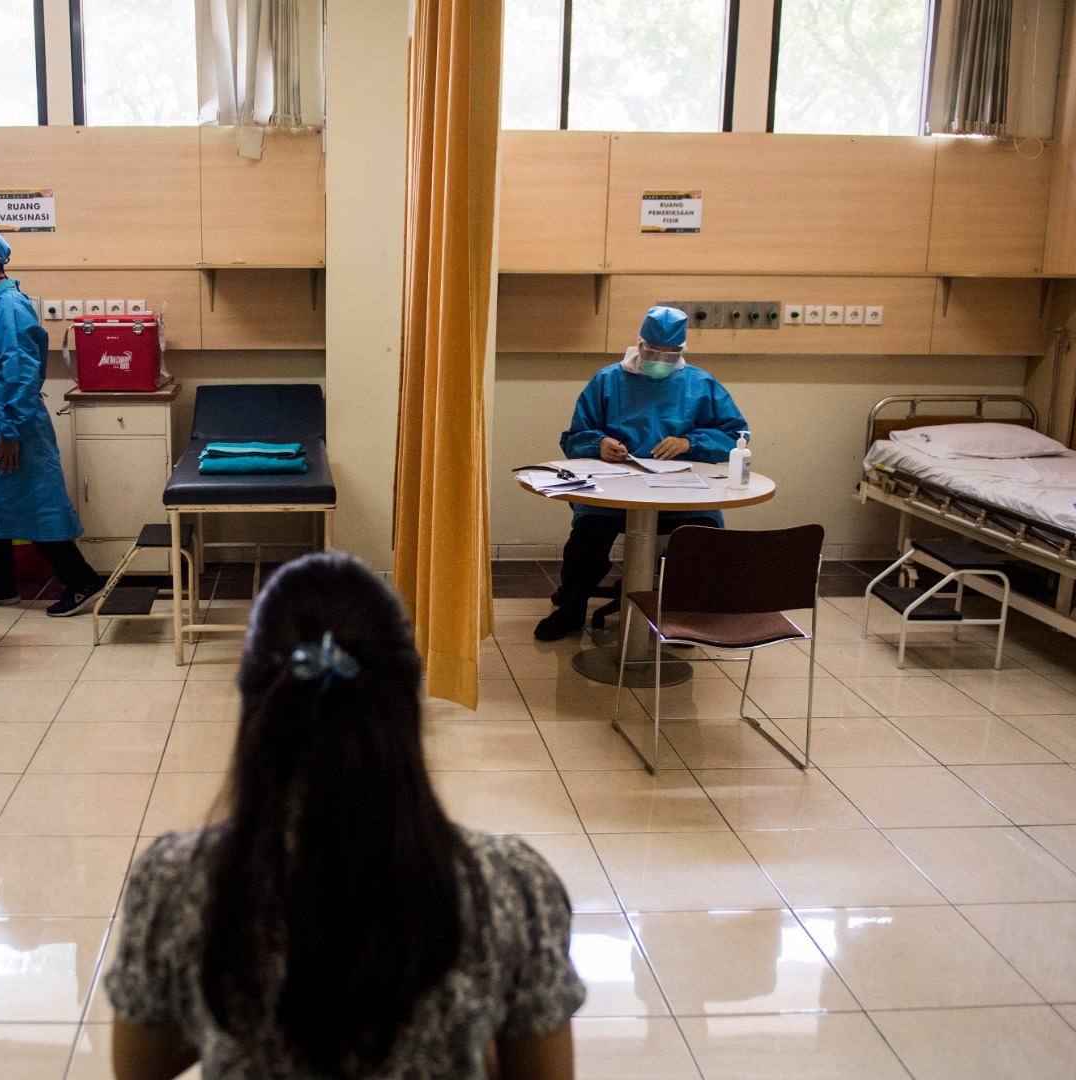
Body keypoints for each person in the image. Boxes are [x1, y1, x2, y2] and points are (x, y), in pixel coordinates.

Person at [105, 551, 584, 1079]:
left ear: (254, 704)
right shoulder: (511, 886)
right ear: (406, 702)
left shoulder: (174, 884)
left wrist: (218, 1006)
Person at [535, 305, 749, 641]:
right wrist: (599, 444)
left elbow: (736, 436)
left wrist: (687, 441)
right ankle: (572, 608)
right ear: (640, 344)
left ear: (681, 351)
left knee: (700, 540)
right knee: (586, 542)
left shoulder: (700, 384)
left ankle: (681, 616)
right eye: (653, 352)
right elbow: (575, 436)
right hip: (612, 495)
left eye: (670, 354)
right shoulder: (608, 380)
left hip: (680, 493)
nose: (661, 360)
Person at [0, 227, 105, 616]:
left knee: (37, 506)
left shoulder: (10, 307)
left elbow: (21, 372)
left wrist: (11, 431)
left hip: (15, 425)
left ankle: (83, 581)